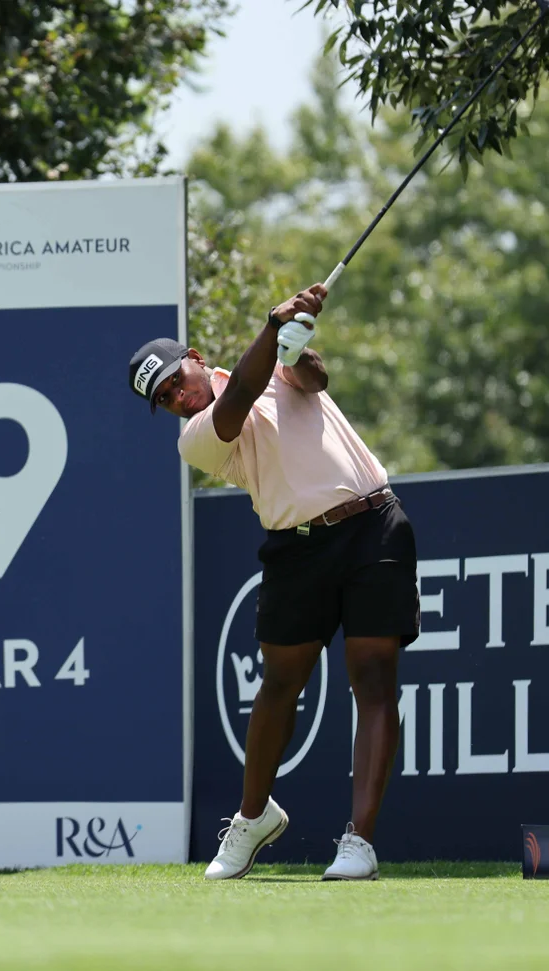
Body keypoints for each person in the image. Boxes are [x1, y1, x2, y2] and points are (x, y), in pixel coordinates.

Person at [127, 283, 418, 881]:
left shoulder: (272, 364)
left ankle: (359, 842)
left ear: (195, 359)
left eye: (176, 380)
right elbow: (239, 396)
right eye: (166, 398)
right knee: (280, 685)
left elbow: (315, 379)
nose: (179, 396)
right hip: (297, 550)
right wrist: (272, 327)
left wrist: (296, 345)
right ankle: (253, 817)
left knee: (373, 676)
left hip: (374, 526)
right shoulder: (196, 439)